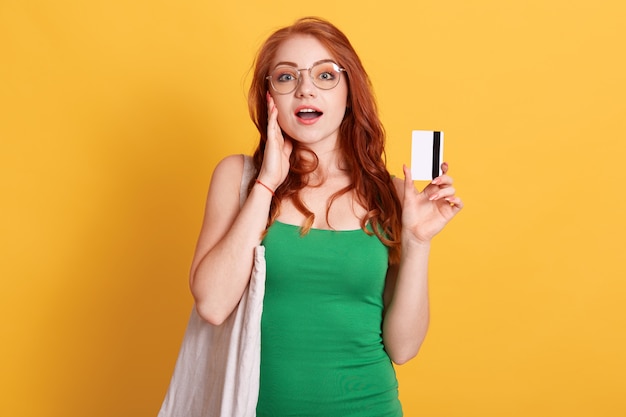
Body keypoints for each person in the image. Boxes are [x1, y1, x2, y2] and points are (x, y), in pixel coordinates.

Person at [188, 16, 463, 417]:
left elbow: (403, 349)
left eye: (325, 75)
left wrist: (419, 240)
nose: (305, 89)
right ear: (269, 97)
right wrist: (266, 184)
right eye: (286, 77)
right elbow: (212, 304)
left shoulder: (391, 194)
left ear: (350, 93)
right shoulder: (238, 178)